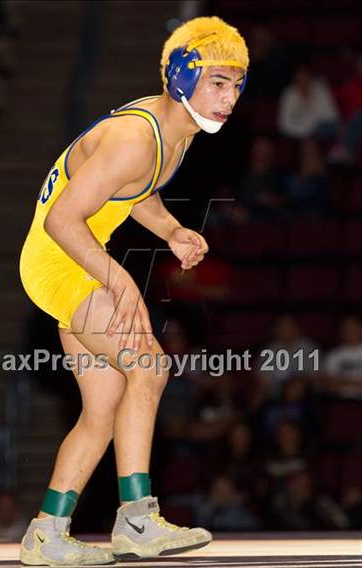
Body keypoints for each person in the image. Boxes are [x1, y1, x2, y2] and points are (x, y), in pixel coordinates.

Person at [19, 16, 249, 566]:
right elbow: (63, 221)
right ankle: (137, 519)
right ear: (183, 76)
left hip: (74, 258)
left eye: (237, 84)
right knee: (149, 365)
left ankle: (46, 531)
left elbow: (129, 191)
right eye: (218, 82)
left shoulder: (175, 132)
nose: (230, 97)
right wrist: (116, 276)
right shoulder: (134, 138)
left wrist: (169, 230)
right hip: (61, 260)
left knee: (104, 406)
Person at [277, 64, 340, 140]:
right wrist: (305, 130)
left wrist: (312, 98)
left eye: (305, 76)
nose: (303, 80)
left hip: (322, 129)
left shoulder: (320, 88)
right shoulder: (289, 94)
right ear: (294, 79)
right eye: (299, 77)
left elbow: (331, 115)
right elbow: (284, 125)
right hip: (297, 133)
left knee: (336, 127)